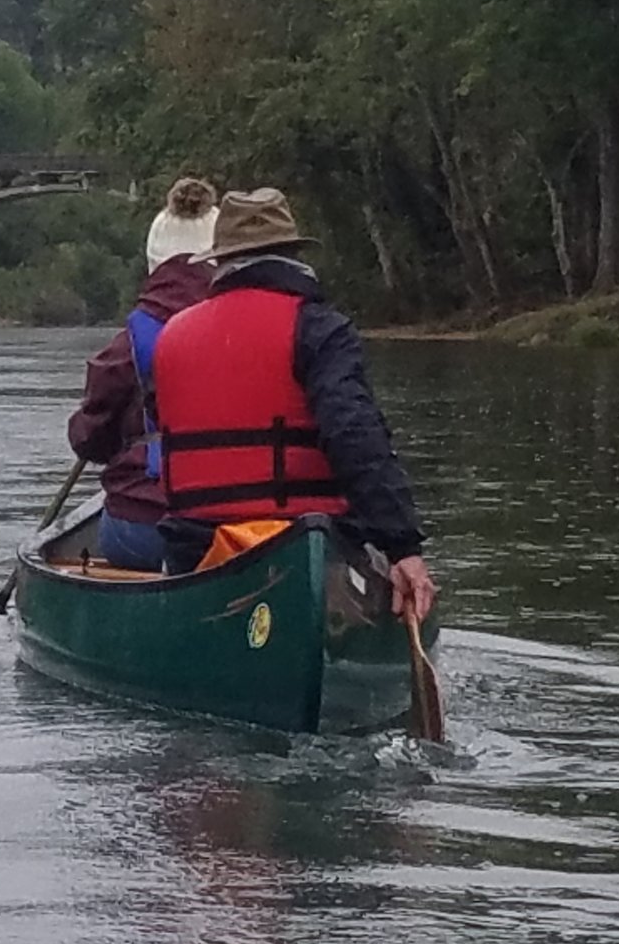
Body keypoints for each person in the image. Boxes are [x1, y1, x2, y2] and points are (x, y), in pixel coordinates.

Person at [150, 189, 439, 624]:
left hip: (198, 551)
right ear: (293, 253)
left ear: (221, 261)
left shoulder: (170, 336)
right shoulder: (320, 327)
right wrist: (404, 548)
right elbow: (354, 435)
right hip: (308, 545)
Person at [66, 178, 220, 570]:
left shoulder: (129, 345)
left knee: (123, 529)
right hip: (236, 525)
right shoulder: (252, 329)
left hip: (143, 523)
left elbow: (91, 441)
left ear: (154, 261)